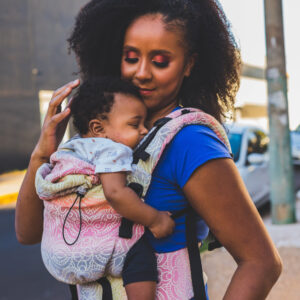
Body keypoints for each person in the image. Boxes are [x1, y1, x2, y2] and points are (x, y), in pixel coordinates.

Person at [16, 0, 282, 299]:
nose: (141, 73)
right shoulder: (100, 139)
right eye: (131, 57)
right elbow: (28, 234)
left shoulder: (190, 141)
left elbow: (260, 262)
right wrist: (41, 154)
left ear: (189, 64)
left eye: (160, 61)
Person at [35, 77, 174, 299]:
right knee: (141, 254)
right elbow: (115, 193)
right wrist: (156, 219)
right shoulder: (113, 149)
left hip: (58, 255)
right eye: (134, 123)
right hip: (96, 252)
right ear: (98, 128)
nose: (144, 130)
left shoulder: (70, 149)